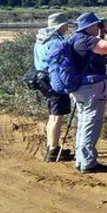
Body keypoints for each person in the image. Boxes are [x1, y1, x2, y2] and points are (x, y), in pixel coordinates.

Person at [70, 11, 107, 173]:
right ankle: (88, 162)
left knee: (83, 122)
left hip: (80, 87)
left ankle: (81, 159)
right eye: (97, 25)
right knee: (91, 123)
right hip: (91, 87)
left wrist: (102, 32)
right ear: (91, 26)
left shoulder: (75, 39)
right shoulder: (87, 41)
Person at [33, 12, 73, 162]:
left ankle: (51, 145)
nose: (67, 28)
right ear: (61, 25)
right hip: (54, 80)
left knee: (52, 115)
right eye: (66, 25)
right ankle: (53, 150)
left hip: (42, 79)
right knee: (57, 116)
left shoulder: (40, 39)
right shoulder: (55, 41)